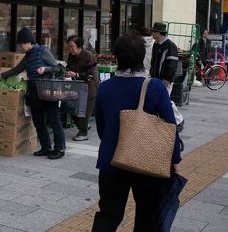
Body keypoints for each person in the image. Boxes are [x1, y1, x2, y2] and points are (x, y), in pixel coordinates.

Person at [93, 34, 182, 231]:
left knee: (108, 215)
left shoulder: (105, 88)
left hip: (111, 161)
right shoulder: (155, 87)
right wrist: (175, 158)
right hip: (147, 163)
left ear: (116, 58)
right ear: (143, 58)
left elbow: (102, 127)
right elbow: (170, 126)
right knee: (147, 216)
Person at [1, 27, 64, 159]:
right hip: (34, 92)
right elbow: (18, 69)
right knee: (38, 121)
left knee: (53, 120)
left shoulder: (43, 51)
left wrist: (44, 69)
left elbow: (57, 68)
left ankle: (59, 149)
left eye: (20, 44)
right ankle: (46, 147)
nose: (20, 47)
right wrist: (1, 76)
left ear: (27, 42)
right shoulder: (28, 55)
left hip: (47, 90)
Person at [150, 21, 184, 128]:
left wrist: (167, 79)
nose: (152, 34)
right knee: (160, 99)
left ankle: (179, 120)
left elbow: (172, 64)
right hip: (157, 78)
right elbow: (153, 61)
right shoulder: (156, 44)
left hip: (165, 79)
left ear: (159, 33)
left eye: (153, 32)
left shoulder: (170, 45)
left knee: (165, 100)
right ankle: (163, 120)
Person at [65, 36, 99, 141]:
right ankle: (83, 125)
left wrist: (76, 74)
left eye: (72, 47)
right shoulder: (71, 56)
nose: (70, 49)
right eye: (69, 47)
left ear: (79, 46)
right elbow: (69, 68)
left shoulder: (88, 56)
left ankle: (83, 133)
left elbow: (92, 75)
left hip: (89, 88)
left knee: (84, 112)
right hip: (76, 87)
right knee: (71, 108)